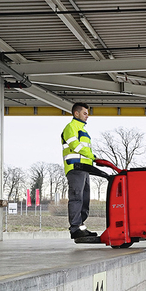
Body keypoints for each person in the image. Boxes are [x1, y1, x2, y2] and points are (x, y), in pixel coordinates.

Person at [61, 102, 98, 239]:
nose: (87, 116)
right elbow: (75, 146)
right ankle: (75, 228)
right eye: (85, 113)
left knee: (84, 199)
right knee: (76, 198)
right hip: (75, 167)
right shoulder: (71, 127)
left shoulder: (84, 130)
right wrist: (93, 156)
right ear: (76, 113)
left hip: (84, 169)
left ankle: (81, 226)